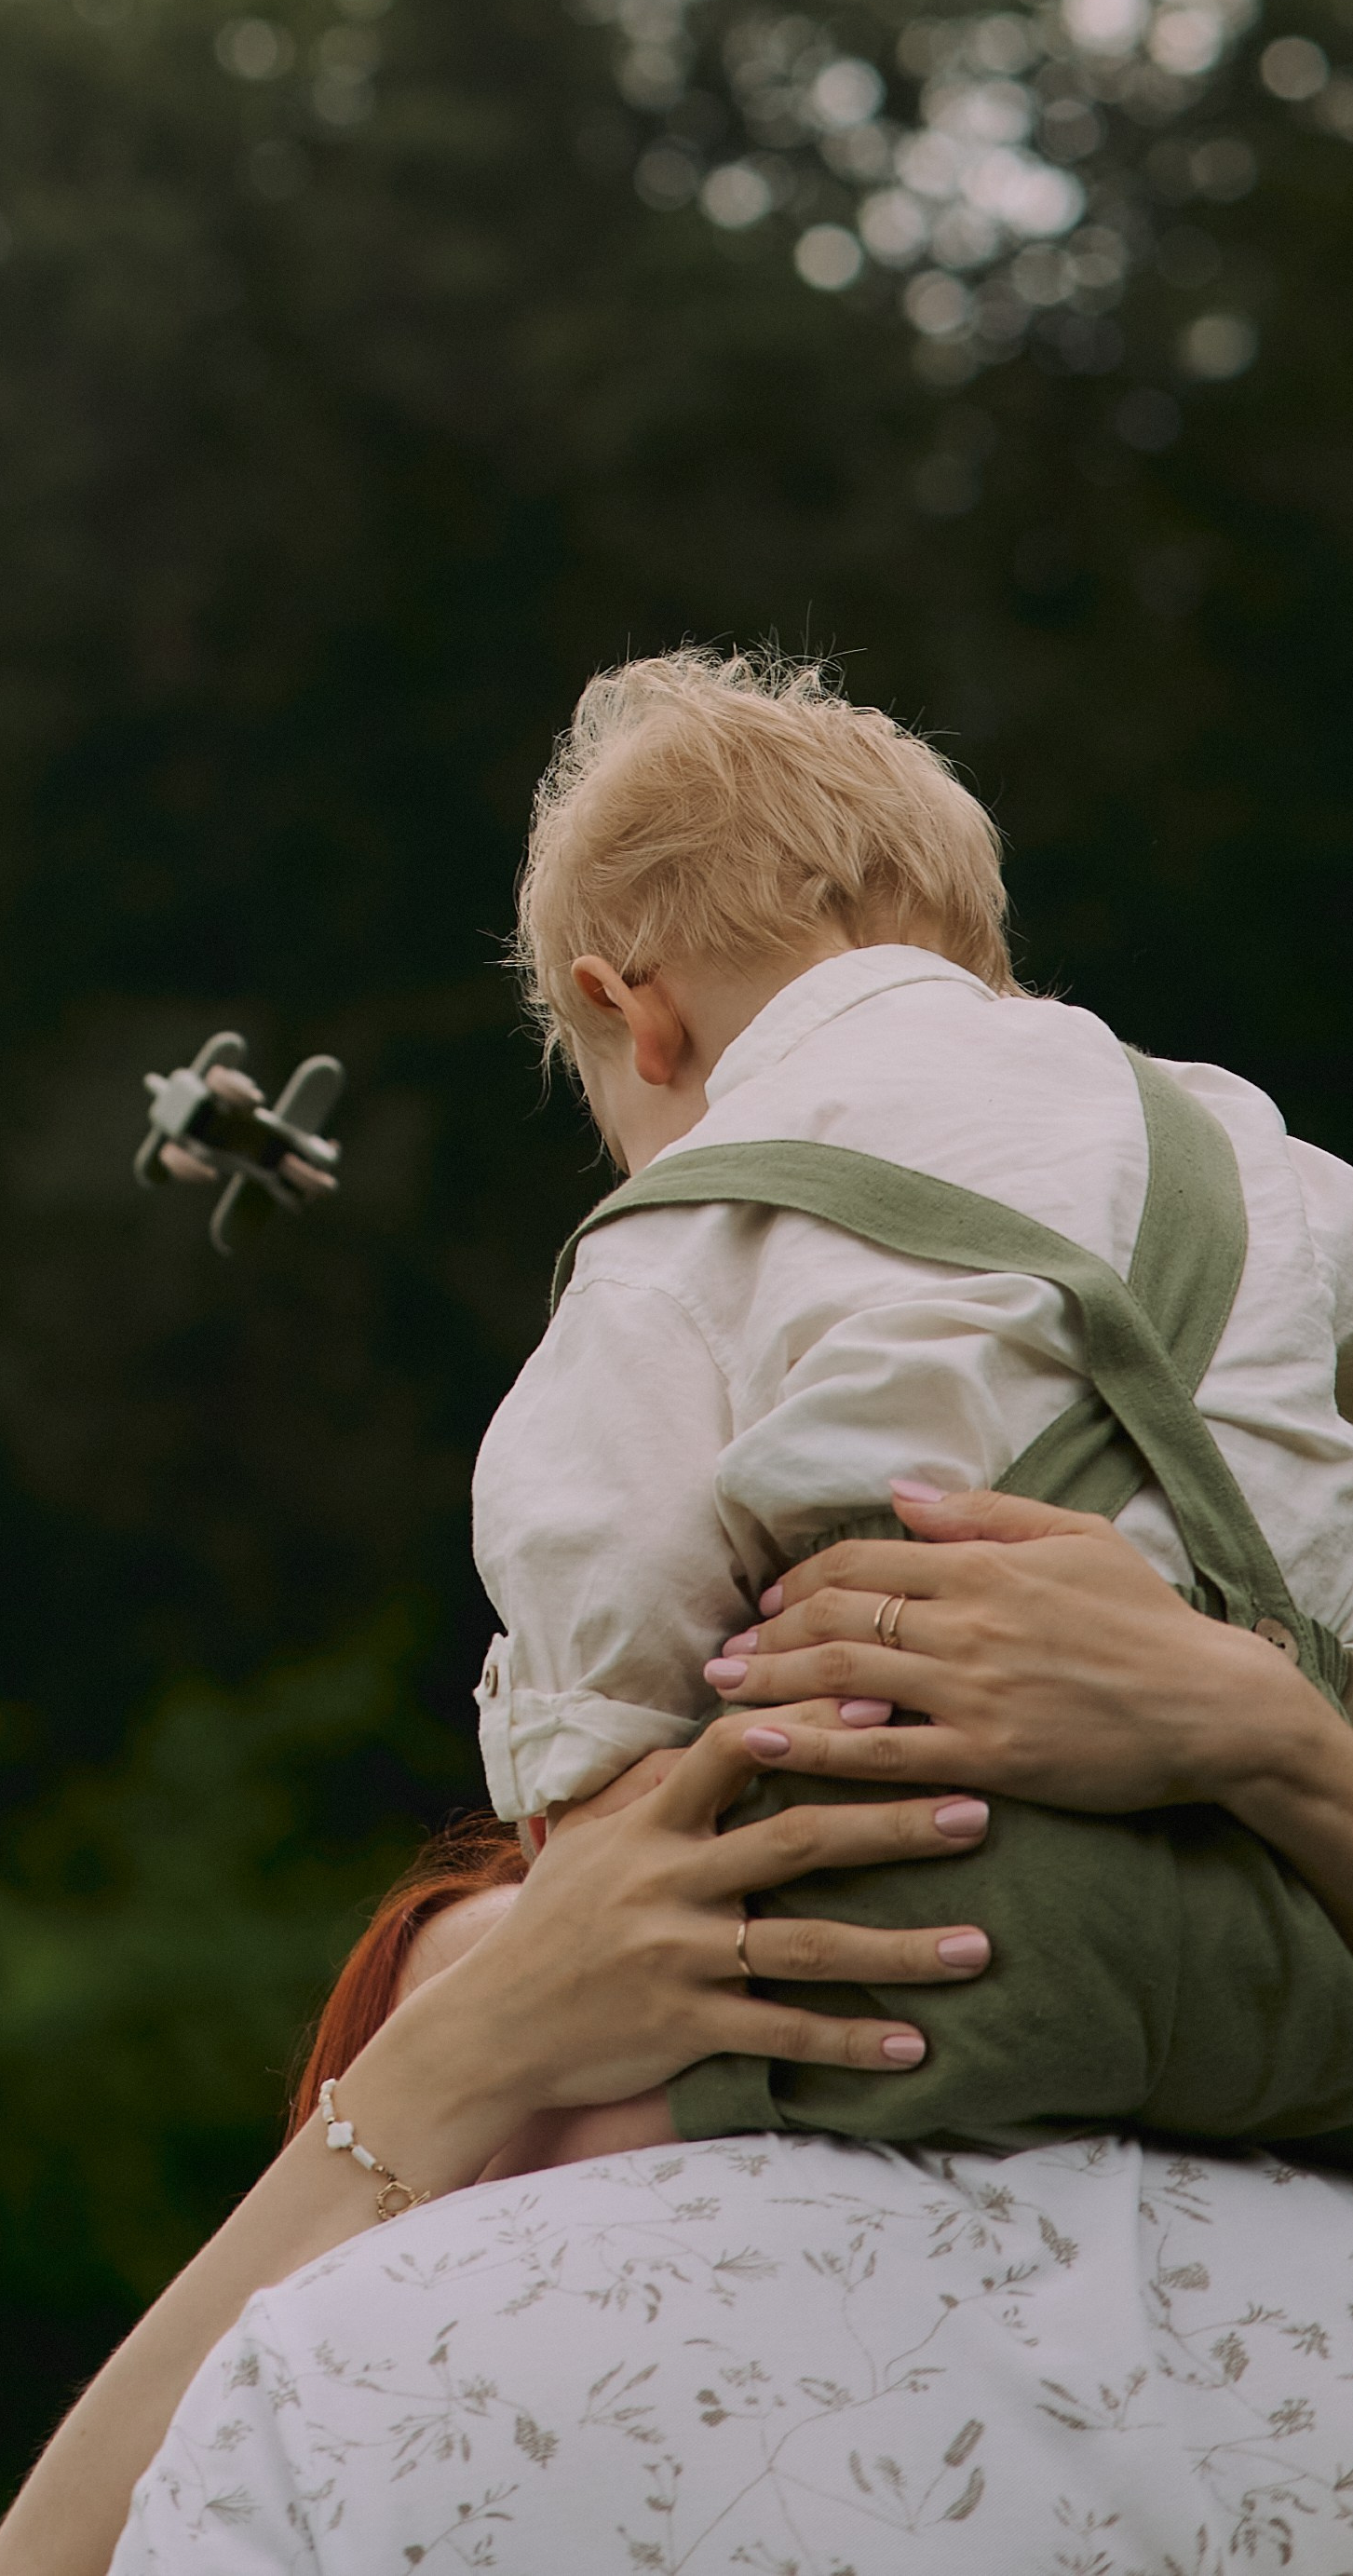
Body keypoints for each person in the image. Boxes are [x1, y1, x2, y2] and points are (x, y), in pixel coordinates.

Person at [89, 1487, 1353, 2573]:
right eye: (544, 2000)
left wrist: (1280, 1749)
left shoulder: (348, 2384)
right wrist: (444, 2064)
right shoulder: (361, 2360)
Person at [478, 644, 1353, 2149]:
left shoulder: (692, 1218)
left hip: (944, 1943)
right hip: (1305, 1947)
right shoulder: (1273, 1161)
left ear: (631, 1012)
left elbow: (601, 1568)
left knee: (456, 2047)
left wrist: (573, 1796)